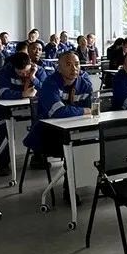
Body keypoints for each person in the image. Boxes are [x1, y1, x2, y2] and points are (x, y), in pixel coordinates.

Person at [23, 52, 93, 203]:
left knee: (92, 142)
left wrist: (83, 112)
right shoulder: (50, 84)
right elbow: (58, 112)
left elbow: (92, 112)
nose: (74, 68)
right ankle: (70, 188)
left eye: (77, 64)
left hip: (75, 130)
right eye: (68, 65)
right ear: (59, 68)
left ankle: (96, 180)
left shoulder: (85, 84)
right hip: (48, 134)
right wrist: (83, 111)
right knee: (74, 146)